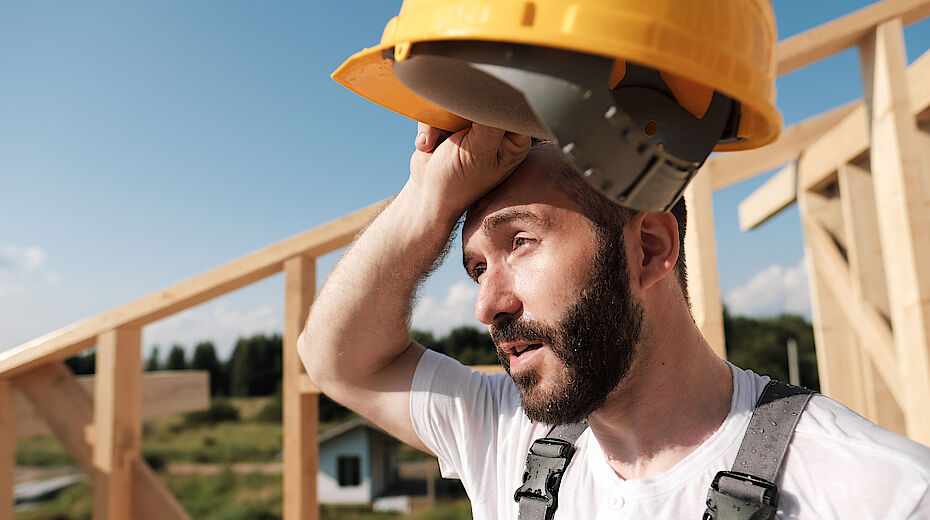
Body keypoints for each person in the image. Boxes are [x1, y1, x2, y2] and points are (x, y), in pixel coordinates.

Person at [298, 122, 930, 518]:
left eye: (519, 241)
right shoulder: (508, 436)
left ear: (648, 249)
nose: (488, 305)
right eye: (476, 268)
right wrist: (427, 199)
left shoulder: (880, 494)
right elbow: (335, 357)